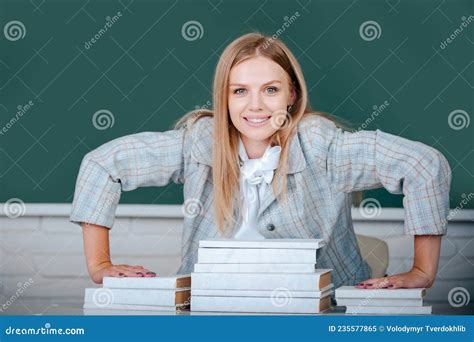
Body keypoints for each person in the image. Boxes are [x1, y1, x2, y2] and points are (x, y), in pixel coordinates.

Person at [70, 33, 451, 291]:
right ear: (224, 99)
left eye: (270, 90)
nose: (255, 106)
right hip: (211, 310)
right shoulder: (201, 143)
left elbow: (423, 165)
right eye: (240, 91)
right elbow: (103, 165)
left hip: (321, 313)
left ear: (292, 96)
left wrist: (422, 271)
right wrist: (101, 265)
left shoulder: (320, 144)